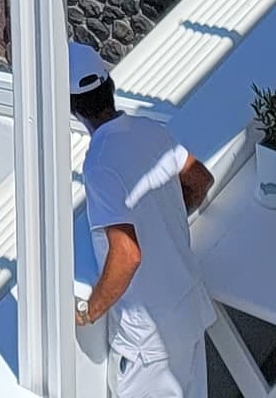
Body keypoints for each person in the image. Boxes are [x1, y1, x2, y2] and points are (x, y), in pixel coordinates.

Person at [71, 41, 213, 398]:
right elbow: (199, 180)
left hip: (147, 342)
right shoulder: (150, 130)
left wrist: (90, 311)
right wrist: (162, 218)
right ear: (109, 88)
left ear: (73, 108)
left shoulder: (99, 164)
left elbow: (127, 254)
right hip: (188, 311)